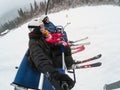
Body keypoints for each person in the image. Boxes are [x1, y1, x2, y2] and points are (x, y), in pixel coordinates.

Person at [28, 19, 75, 90]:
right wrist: (54, 75)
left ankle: (69, 63)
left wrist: (58, 44)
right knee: (68, 60)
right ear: (36, 29)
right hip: (47, 63)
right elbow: (41, 60)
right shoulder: (33, 43)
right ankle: (69, 64)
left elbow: (48, 46)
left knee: (66, 48)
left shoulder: (39, 37)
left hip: (49, 55)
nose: (44, 28)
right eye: (41, 27)